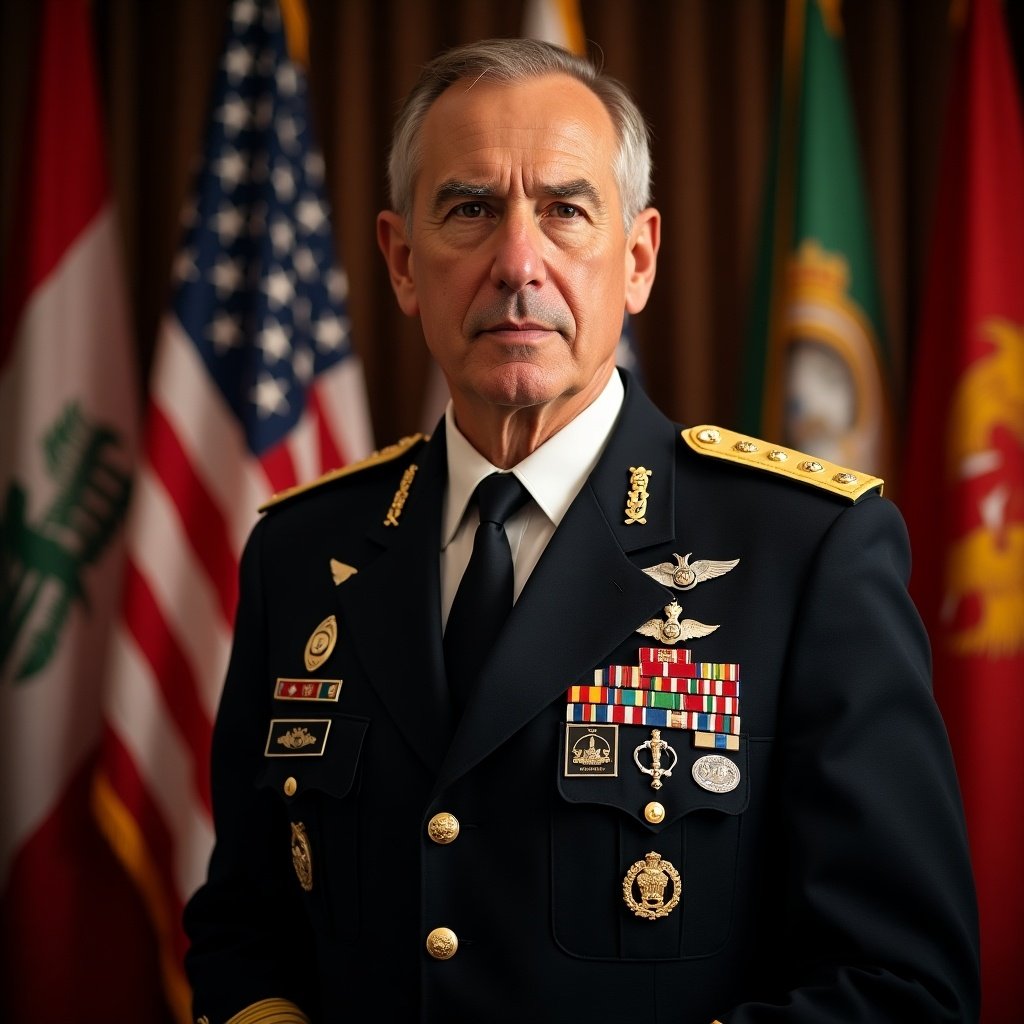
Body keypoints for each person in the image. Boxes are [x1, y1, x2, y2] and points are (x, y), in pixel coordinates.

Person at [183, 38, 980, 1024]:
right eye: (469, 209)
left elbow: (901, 988)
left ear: (637, 258)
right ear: (398, 259)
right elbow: (245, 928)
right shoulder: (303, 552)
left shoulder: (806, 550)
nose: (519, 262)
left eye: (564, 210)